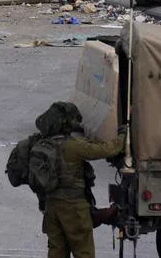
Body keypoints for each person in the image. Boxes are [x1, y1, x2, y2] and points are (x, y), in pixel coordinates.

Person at [35, 102, 126, 258]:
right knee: (84, 252)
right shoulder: (72, 146)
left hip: (51, 208)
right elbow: (109, 149)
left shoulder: (41, 145)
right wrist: (123, 134)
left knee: (56, 251)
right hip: (74, 209)